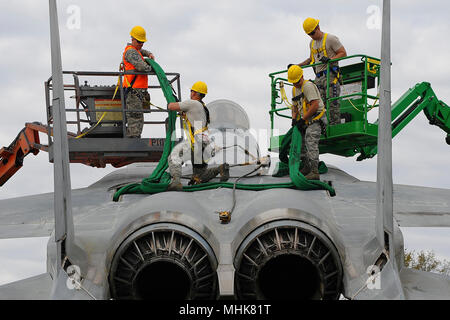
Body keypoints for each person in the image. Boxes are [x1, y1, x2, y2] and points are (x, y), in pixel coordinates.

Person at [167, 81, 229, 191]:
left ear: (195, 93)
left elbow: (171, 106)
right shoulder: (203, 107)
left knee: (174, 156)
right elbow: (192, 117)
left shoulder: (192, 103)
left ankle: (176, 182)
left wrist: (171, 101)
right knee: (199, 176)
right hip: (205, 143)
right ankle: (220, 169)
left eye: (191, 91)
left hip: (196, 142)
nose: (190, 93)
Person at [289, 17, 347, 125]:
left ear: (318, 27)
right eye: (309, 34)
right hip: (319, 78)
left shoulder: (330, 39)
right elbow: (311, 59)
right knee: (320, 104)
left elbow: (343, 53)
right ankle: (323, 127)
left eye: (313, 32)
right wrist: (297, 66)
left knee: (332, 103)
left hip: (331, 76)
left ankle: (334, 126)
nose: (312, 35)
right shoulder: (312, 43)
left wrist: (330, 60)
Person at [288, 65, 327, 180]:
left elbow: (314, 105)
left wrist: (303, 119)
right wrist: (294, 120)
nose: (295, 84)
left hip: (316, 118)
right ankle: (306, 167)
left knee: (310, 140)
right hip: (305, 119)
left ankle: (314, 171)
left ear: (302, 77)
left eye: (297, 81)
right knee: (301, 142)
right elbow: (295, 107)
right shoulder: (295, 89)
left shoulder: (308, 86)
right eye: (293, 82)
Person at [122, 26, 155, 138]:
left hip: (138, 91)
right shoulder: (131, 52)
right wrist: (153, 67)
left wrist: (148, 53)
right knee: (135, 118)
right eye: (139, 42)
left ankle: (135, 137)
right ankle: (133, 141)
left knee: (138, 118)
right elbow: (142, 67)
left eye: (142, 42)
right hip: (134, 92)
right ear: (133, 39)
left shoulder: (135, 50)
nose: (141, 44)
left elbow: (141, 51)